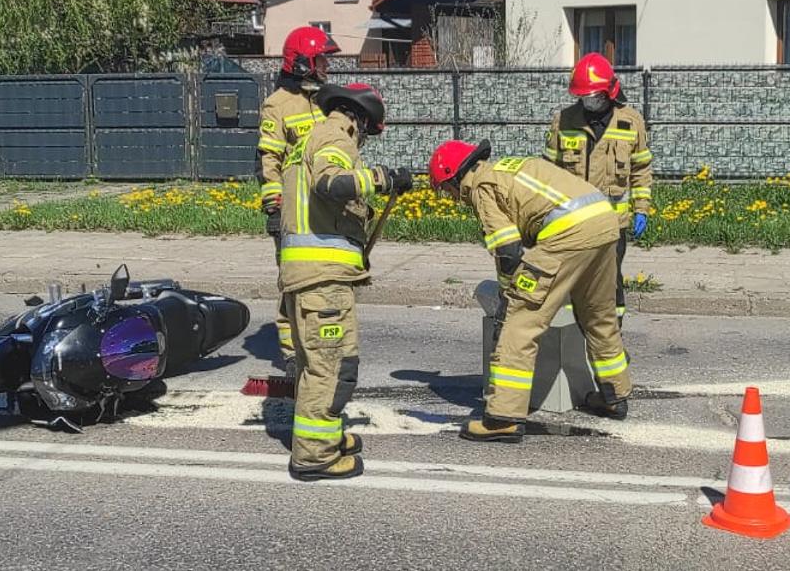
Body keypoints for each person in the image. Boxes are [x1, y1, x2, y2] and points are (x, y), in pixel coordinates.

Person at [427, 138, 632, 444]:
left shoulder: (480, 185)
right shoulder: (509, 168)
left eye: (446, 189)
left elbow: (508, 250)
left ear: (455, 177)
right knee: (598, 314)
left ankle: (503, 418)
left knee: (519, 323)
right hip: (604, 222)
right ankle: (614, 395)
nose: (451, 197)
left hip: (568, 232)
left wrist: (509, 295)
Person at [279, 82, 413, 480]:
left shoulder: (308, 140)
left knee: (314, 365)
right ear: (361, 121)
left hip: (306, 276)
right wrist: (382, 178)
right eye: (369, 132)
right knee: (333, 367)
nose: (366, 140)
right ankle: (315, 457)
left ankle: (325, 436)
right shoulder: (337, 137)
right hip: (323, 280)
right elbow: (331, 184)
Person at [544, 53, 654, 316]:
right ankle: (573, 329)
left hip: (612, 223)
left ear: (608, 92)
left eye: (593, 95)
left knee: (609, 280)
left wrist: (641, 209)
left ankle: (612, 328)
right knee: (573, 279)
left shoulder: (631, 122)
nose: (588, 101)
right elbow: (547, 172)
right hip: (573, 221)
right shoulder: (564, 121)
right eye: (583, 96)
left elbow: (640, 170)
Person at [258, 26, 339, 369]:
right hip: (292, 210)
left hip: (325, 206)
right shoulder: (277, 105)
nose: (327, 66)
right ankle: (292, 353)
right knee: (294, 281)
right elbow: (269, 160)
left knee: (327, 278)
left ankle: (322, 342)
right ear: (303, 63)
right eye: (321, 60)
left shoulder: (326, 101)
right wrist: (275, 207)